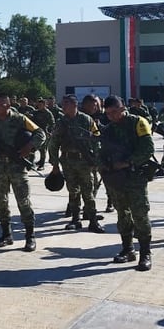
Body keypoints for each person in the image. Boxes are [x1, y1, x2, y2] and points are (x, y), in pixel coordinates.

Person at [0, 92, 46, 251]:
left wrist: (29, 147)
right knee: (1, 201)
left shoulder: (20, 119)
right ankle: (6, 234)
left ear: (8, 106)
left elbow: (40, 133)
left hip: (16, 166)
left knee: (23, 201)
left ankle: (30, 236)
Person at [98, 95, 156, 271]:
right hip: (116, 178)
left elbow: (148, 149)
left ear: (123, 108)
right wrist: (103, 164)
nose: (112, 116)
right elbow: (100, 153)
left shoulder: (138, 123)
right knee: (122, 214)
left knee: (140, 214)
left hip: (135, 177)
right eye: (108, 114)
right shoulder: (108, 130)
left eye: (115, 112)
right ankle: (127, 249)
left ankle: (145, 252)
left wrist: (127, 162)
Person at [47, 94, 103, 232]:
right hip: (68, 161)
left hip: (84, 162)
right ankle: (75, 219)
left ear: (74, 105)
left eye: (66, 103)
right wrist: (54, 164)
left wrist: (96, 159)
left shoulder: (87, 120)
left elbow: (96, 140)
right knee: (73, 191)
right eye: (63, 103)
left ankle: (93, 221)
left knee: (88, 191)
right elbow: (53, 144)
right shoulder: (61, 122)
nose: (63, 106)